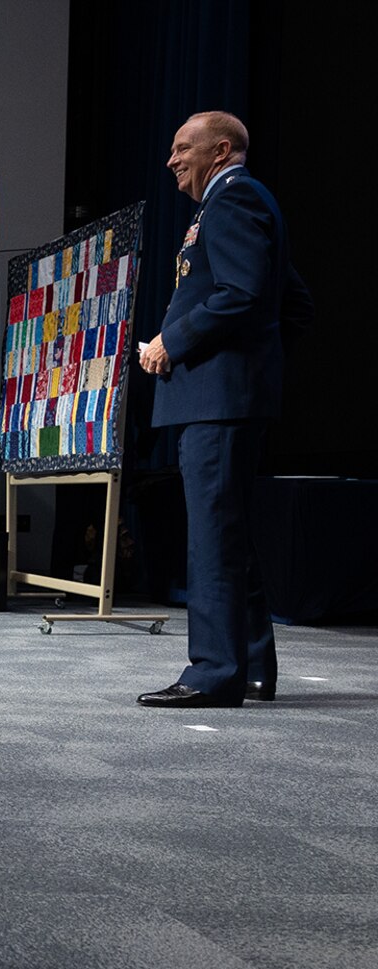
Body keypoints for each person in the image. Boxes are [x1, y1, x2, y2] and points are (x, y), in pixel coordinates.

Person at [136, 111, 311, 709]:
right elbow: (294, 302)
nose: (172, 159)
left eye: (184, 147)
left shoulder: (234, 200)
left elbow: (240, 293)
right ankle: (255, 666)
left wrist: (173, 343)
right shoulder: (235, 203)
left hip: (218, 402)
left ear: (222, 149)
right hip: (227, 398)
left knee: (212, 539)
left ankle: (213, 673)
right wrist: (256, 369)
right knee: (227, 534)